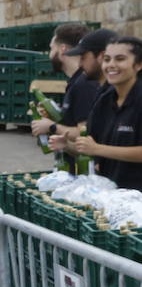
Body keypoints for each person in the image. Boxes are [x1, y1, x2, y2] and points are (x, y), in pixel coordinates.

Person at [54, 36, 142, 190]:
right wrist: (66, 145)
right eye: (107, 59)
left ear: (138, 64)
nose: (111, 65)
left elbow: (96, 148)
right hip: (111, 195)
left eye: (120, 59)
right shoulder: (104, 101)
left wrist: (98, 149)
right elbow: (90, 145)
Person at [33, 25, 114, 145]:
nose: (49, 55)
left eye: (51, 48)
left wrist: (52, 127)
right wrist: (54, 117)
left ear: (62, 49)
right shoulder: (76, 82)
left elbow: (86, 132)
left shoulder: (84, 84)